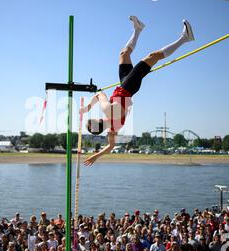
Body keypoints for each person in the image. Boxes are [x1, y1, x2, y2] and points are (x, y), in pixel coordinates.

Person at [80, 16, 194, 166]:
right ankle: (185, 38)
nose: (92, 117)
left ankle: (138, 29)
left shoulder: (113, 129)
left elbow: (111, 146)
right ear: (98, 122)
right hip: (128, 86)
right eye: (92, 120)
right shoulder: (107, 110)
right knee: (153, 57)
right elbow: (99, 94)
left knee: (123, 54)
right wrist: (88, 107)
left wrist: (96, 156)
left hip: (124, 85)